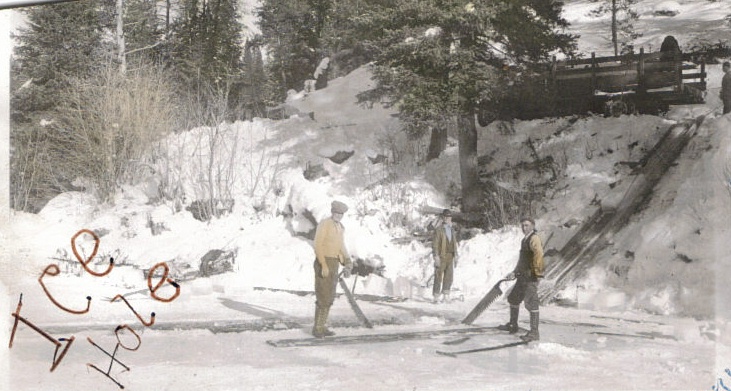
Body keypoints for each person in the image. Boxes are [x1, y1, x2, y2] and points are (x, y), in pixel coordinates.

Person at [497, 217, 544, 342]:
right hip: (522, 275)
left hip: (531, 276)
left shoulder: (534, 238)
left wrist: (537, 274)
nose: (524, 228)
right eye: (523, 225)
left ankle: (534, 332)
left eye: (527, 225)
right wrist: (515, 272)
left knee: (531, 302)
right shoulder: (525, 239)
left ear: (533, 225)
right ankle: (513, 325)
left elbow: (538, 255)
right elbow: (522, 260)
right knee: (513, 298)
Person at [312, 200, 353, 338]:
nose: (338, 216)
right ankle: (317, 328)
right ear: (332, 212)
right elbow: (318, 245)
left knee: (329, 296)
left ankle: (323, 326)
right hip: (324, 261)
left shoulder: (341, 227)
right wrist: (323, 264)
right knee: (322, 295)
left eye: (341, 214)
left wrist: (347, 260)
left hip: (334, 263)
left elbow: (341, 246)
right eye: (336, 213)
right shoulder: (325, 224)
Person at [431, 209, 458, 303]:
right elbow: (435, 244)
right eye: (445, 217)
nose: (447, 218)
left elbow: (454, 243)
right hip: (441, 256)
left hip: (450, 255)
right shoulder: (439, 230)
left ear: (451, 218)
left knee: (449, 276)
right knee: (438, 276)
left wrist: (456, 255)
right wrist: (436, 256)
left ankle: (446, 295)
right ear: (443, 218)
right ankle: (436, 296)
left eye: (449, 217)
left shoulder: (452, 229)